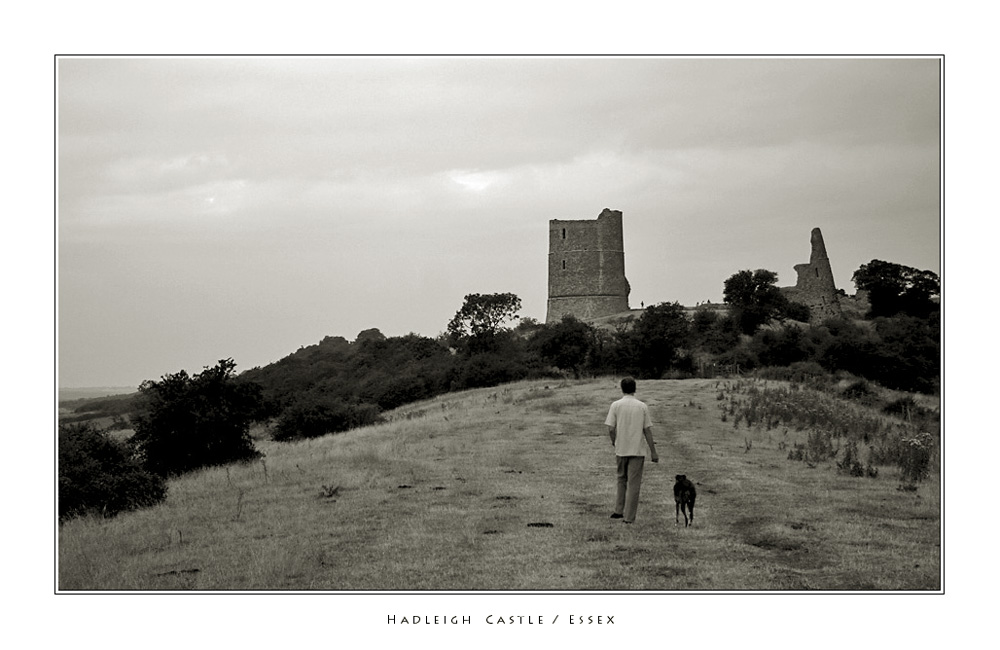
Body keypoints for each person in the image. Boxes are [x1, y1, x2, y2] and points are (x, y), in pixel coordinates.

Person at [605, 376, 659, 524]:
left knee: (621, 479)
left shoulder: (615, 405)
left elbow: (610, 428)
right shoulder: (642, 406)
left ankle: (618, 510)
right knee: (634, 484)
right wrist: (653, 451)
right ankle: (629, 517)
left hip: (621, 449)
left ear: (622, 389)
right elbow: (647, 430)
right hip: (637, 450)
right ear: (635, 388)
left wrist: (614, 442)